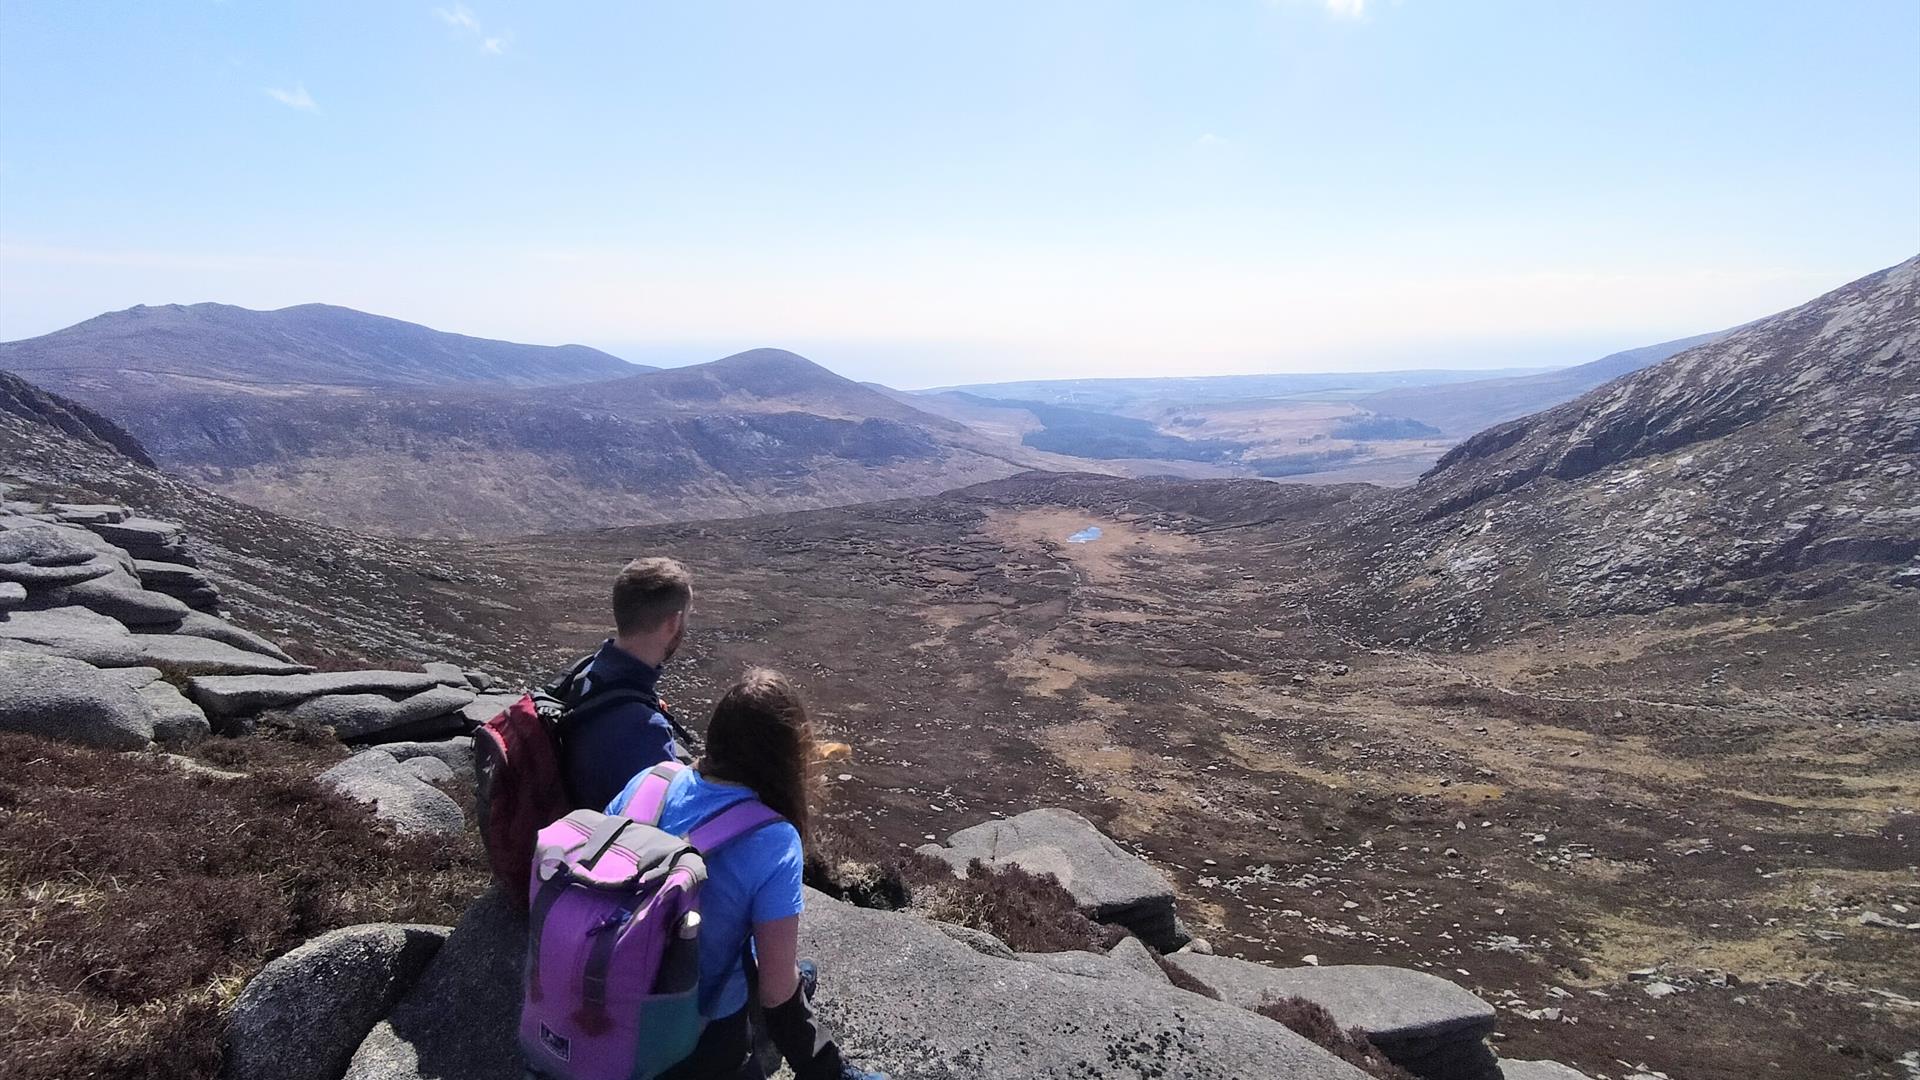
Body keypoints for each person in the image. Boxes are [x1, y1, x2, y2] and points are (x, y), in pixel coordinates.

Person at [607, 669, 886, 1080]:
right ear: (785, 759)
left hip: (604, 994)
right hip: (689, 1040)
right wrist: (829, 1070)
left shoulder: (648, 782)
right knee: (782, 976)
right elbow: (777, 995)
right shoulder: (772, 839)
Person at [562, 556, 694, 814]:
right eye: (688, 616)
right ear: (673, 622)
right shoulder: (645, 731)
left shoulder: (585, 672)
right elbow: (667, 827)